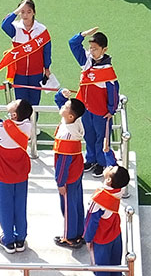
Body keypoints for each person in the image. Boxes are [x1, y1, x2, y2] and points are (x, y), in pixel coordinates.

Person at [0, 86, 34, 253]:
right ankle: (20, 238)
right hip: (21, 173)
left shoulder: (2, 129)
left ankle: (9, 239)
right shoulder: (27, 125)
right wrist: (0, 121)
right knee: (20, 206)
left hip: (4, 175)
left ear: (14, 114)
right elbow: (11, 128)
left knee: (5, 207)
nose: (14, 101)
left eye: (15, 103)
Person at [70, 28, 120, 175]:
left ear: (104, 49)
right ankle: (90, 159)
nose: (92, 51)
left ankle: (102, 162)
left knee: (102, 138)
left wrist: (111, 110)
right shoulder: (86, 61)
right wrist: (83, 34)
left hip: (101, 111)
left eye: (95, 49)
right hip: (86, 109)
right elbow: (73, 44)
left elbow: (114, 91)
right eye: (90, 48)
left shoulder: (107, 70)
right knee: (89, 135)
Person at [0, 0, 52, 106]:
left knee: (34, 104)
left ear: (34, 12)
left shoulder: (41, 29)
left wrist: (47, 68)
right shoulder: (15, 28)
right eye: (22, 12)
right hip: (19, 73)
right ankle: (22, 124)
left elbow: (47, 51)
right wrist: (16, 11)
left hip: (36, 74)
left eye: (29, 11)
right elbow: (4, 25)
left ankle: (33, 123)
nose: (25, 15)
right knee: (21, 105)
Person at [52, 90, 87, 248]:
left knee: (67, 207)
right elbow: (60, 103)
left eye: (66, 106)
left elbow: (62, 164)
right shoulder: (74, 122)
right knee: (76, 203)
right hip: (76, 172)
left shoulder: (66, 135)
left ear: (70, 115)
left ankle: (69, 237)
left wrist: (60, 182)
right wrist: (62, 95)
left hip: (68, 177)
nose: (63, 106)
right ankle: (79, 231)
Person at [84, 165, 130, 275]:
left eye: (111, 168)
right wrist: (107, 150)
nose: (109, 166)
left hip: (101, 239)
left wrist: (88, 239)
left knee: (101, 270)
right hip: (115, 234)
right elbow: (116, 171)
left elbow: (91, 221)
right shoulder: (119, 188)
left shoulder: (98, 198)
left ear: (109, 180)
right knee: (116, 267)